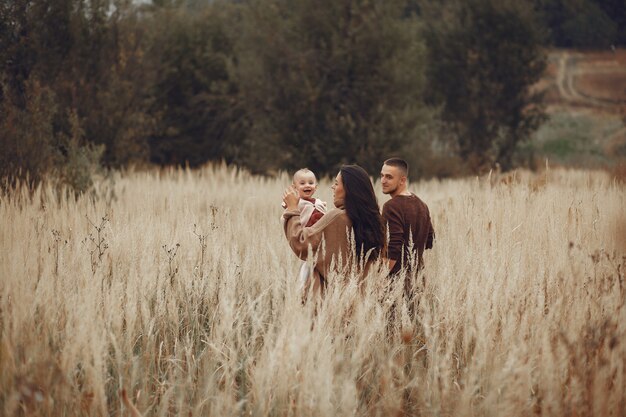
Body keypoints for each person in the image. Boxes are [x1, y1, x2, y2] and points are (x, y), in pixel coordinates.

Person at [283, 164, 385, 298]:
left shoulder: (337, 217)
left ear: (348, 189)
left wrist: (292, 209)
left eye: (336, 183)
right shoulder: (376, 222)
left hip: (330, 301)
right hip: (361, 302)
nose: (333, 187)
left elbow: (301, 243)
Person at [380, 157, 434, 293]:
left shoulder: (391, 206)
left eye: (389, 177)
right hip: (418, 279)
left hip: (397, 282)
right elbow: (430, 240)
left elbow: (394, 246)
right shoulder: (422, 205)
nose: (383, 181)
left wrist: (380, 278)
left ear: (402, 180)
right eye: (382, 176)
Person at [281, 168, 327, 289]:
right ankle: (300, 290)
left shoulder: (318, 202)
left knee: (316, 271)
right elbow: (287, 211)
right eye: (302, 183)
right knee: (305, 270)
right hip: (305, 239)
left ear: (316, 187)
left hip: (318, 240)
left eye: (311, 183)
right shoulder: (297, 202)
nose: (307, 185)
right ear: (295, 187)